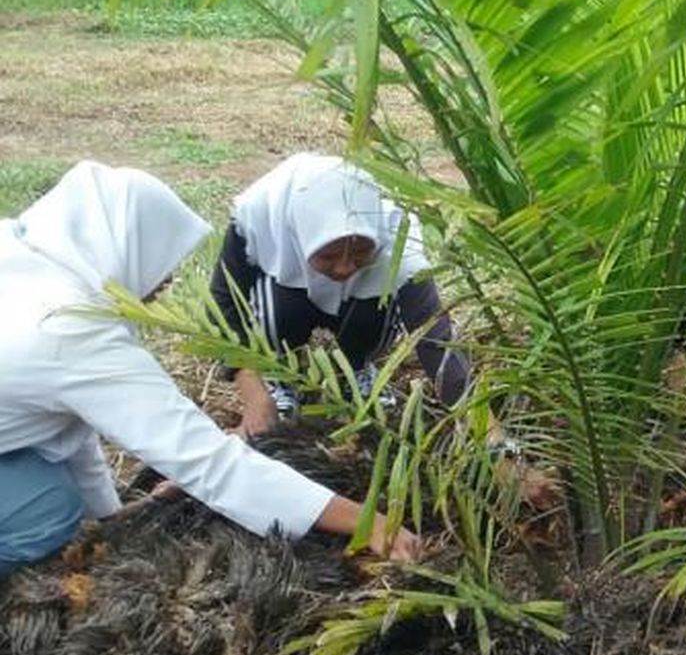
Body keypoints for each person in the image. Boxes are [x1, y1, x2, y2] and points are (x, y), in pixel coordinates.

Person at [0, 161, 419, 576]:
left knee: (56, 499)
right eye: (165, 259)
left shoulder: (28, 261)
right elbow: (213, 467)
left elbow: (73, 432)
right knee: (47, 517)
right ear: (127, 244)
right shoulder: (66, 329)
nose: (170, 281)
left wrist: (110, 524)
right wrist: (369, 523)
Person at [210, 153, 469, 438]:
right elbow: (222, 302)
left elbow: (432, 334)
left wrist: (487, 433)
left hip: (361, 304)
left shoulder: (393, 231)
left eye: (360, 253)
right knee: (277, 311)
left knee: (377, 309)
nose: (345, 267)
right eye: (328, 255)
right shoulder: (260, 216)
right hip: (287, 295)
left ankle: (357, 370)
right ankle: (279, 377)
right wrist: (252, 392)